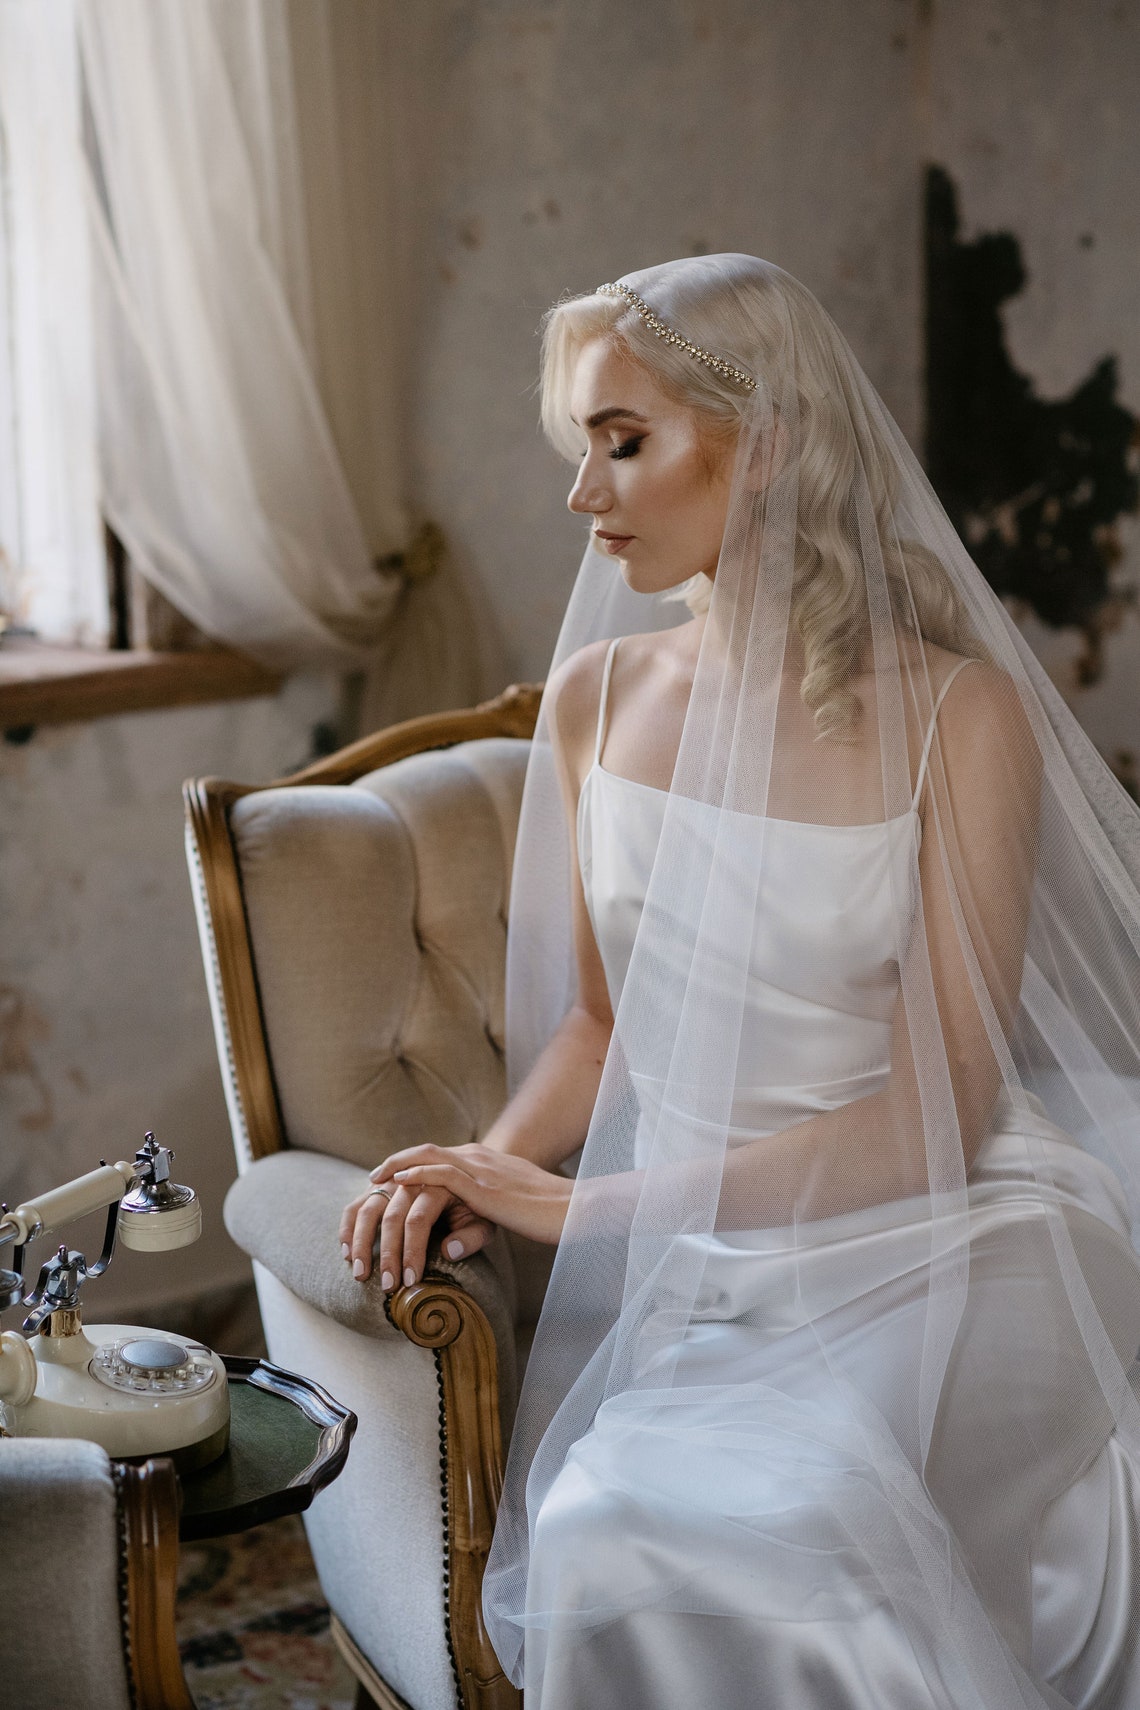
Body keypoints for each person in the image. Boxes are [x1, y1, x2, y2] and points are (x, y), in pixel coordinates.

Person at [340, 256, 1140, 1708]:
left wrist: (580, 1208)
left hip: (949, 1237)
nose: (582, 494)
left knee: (798, 1520)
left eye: (622, 441)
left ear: (763, 444)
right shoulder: (594, 699)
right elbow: (599, 1026)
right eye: (581, 445)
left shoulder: (960, 715)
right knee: (606, 1526)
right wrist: (484, 1166)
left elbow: (939, 1112)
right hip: (710, 1257)